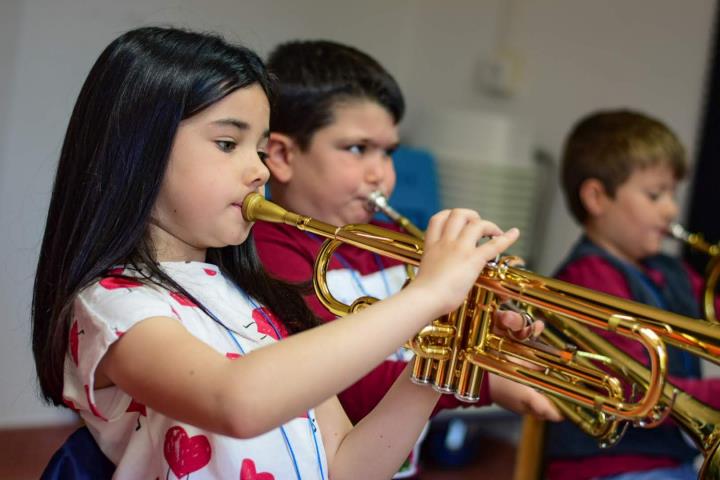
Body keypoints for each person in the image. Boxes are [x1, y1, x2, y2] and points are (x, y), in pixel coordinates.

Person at [31, 26, 558, 480]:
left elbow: (351, 466)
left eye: (260, 149)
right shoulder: (113, 305)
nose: (259, 170)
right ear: (138, 150)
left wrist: (443, 357)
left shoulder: (252, 301)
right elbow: (234, 402)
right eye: (227, 144)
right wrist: (426, 296)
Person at [253, 39, 561, 477]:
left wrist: (487, 332)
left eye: (388, 151)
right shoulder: (269, 256)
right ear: (283, 156)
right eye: (358, 149)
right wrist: (478, 377)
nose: (381, 172)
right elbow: (341, 386)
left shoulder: (394, 240)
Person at [544, 109, 720, 480]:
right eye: (655, 195)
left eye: (673, 193)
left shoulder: (670, 269)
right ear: (597, 197)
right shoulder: (587, 277)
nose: (671, 209)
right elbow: (630, 387)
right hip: (606, 467)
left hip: (672, 463)